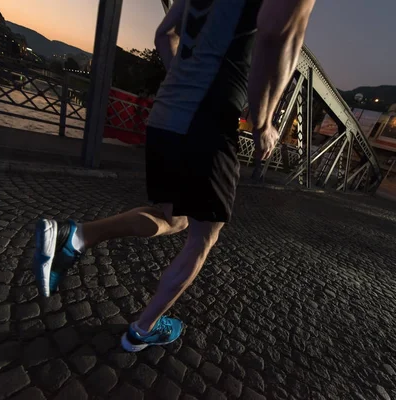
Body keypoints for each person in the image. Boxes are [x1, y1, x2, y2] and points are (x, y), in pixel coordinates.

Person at [33, 0, 316, 352]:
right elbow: (276, 33)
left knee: (175, 218)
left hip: (167, 114)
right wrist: (264, 122)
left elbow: (164, 35)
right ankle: (142, 330)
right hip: (209, 120)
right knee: (203, 238)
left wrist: (182, 84)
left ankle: (76, 237)